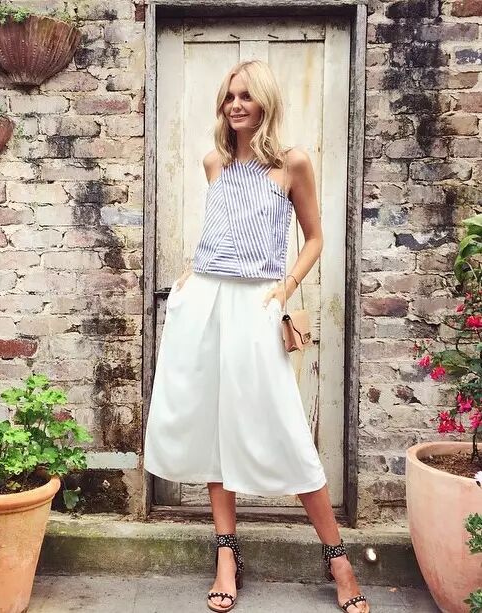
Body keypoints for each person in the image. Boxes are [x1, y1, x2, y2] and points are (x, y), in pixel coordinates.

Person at [143, 60, 370, 613]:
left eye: (246, 96)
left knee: (286, 428)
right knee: (214, 427)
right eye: (229, 97)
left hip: (257, 303)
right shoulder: (214, 162)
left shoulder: (292, 163)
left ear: (265, 101)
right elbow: (220, 233)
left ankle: (338, 558)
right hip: (203, 302)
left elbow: (314, 238)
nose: (236, 105)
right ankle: (226, 555)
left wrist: (283, 290)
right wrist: (190, 278)